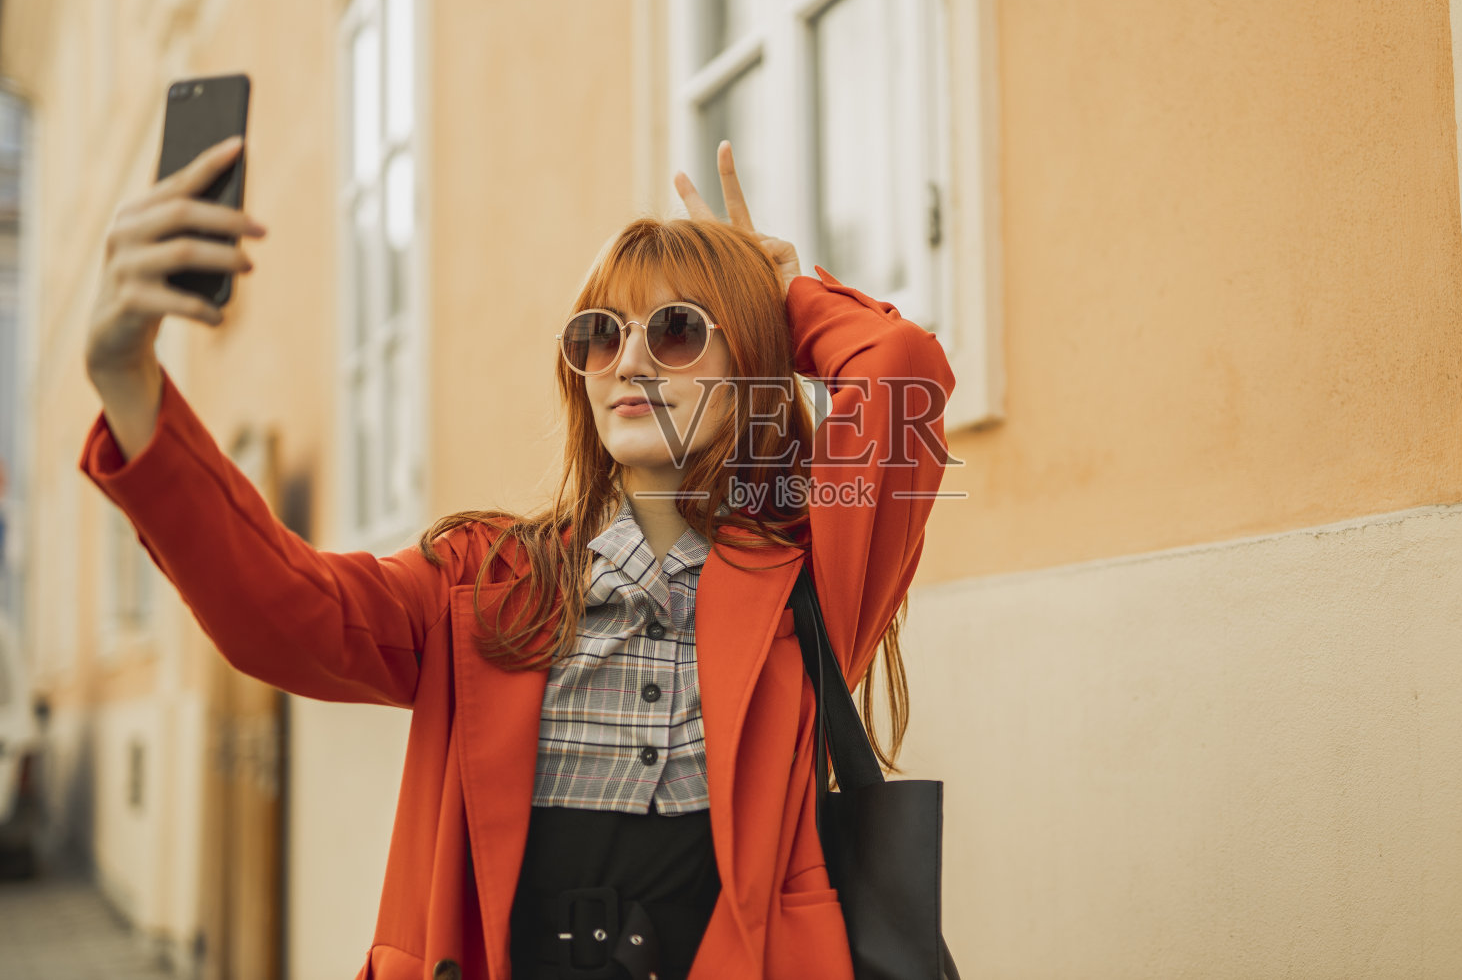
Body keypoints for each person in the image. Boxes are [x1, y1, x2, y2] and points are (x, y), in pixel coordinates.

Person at [80, 135, 955, 979]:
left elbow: (899, 363)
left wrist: (789, 296)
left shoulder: (806, 579)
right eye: (600, 336)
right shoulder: (483, 580)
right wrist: (129, 380)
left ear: (751, 367)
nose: (631, 360)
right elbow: (277, 607)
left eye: (680, 330)